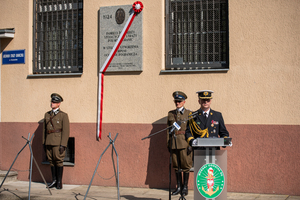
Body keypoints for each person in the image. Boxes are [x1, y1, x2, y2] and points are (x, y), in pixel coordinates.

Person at [167, 91, 193, 196]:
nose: (177, 103)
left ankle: (185, 187)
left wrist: (191, 144)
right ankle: (179, 187)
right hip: (174, 142)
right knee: (176, 166)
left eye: (179, 101)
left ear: (184, 102)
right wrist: (168, 143)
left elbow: (192, 130)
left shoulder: (189, 114)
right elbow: (167, 130)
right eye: (176, 101)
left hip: (185, 143)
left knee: (186, 166)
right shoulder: (170, 113)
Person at [43, 93, 70, 189]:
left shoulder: (63, 115)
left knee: (58, 161)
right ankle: (53, 181)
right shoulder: (47, 114)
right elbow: (44, 130)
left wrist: (63, 144)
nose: (52, 103)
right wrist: (44, 142)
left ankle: (59, 182)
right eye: (52, 101)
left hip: (58, 142)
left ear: (59, 104)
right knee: (51, 161)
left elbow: (66, 131)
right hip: (49, 142)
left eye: (54, 102)